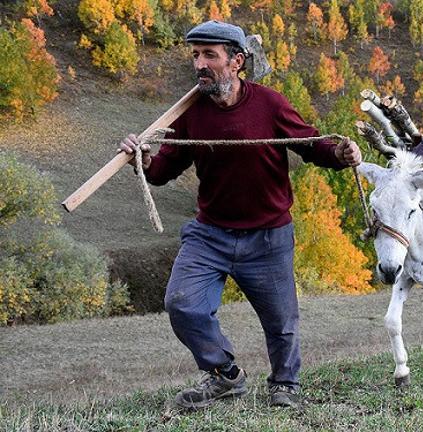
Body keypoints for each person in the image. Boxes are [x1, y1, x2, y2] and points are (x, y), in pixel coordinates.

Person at [119, 20, 362, 410]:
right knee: (183, 304)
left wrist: (340, 153)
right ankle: (224, 376)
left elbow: (312, 145)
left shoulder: (270, 104)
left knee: (282, 323)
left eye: (209, 55)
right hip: (209, 234)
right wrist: (141, 157)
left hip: (268, 235)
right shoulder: (189, 114)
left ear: (237, 62)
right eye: (195, 55)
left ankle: (285, 385)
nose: (199, 64)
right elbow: (162, 171)